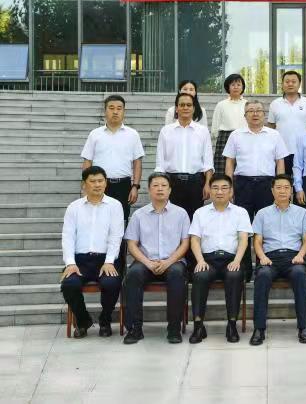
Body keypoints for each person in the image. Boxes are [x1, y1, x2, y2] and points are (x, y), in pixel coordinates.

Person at [122, 172, 190, 344]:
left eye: (164, 185)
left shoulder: (181, 213)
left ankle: (174, 329)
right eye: (155, 185)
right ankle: (134, 329)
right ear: (149, 190)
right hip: (145, 261)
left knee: (177, 274)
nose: (160, 189)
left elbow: (185, 243)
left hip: (173, 261)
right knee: (133, 275)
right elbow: (132, 244)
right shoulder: (139, 215)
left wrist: (168, 262)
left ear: (170, 190)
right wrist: (147, 262)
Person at [187, 174, 253, 344]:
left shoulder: (240, 212)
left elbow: (243, 239)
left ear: (231, 191)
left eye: (224, 188)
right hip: (207, 259)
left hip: (231, 258)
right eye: (215, 188)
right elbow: (194, 239)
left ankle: (232, 324)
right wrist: (200, 261)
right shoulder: (200, 213)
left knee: (234, 275)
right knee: (200, 276)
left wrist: (237, 261)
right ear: (209, 190)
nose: (219, 192)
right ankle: (198, 325)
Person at [60, 166, 124, 339]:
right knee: (69, 284)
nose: (97, 185)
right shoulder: (74, 207)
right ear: (84, 184)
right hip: (80, 261)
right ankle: (83, 321)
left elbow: (116, 236)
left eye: (100, 181)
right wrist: (70, 263)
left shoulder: (115, 206)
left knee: (111, 283)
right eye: (93, 181)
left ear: (106, 183)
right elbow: (68, 236)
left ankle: (105, 320)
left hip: (105, 260)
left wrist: (109, 261)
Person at [250, 175, 306, 345]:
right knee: (262, 276)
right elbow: (257, 241)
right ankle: (259, 329)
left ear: (291, 190)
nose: (282, 191)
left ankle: (304, 327)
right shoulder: (262, 213)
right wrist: (262, 257)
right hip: (270, 258)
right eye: (278, 187)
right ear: (272, 190)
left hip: (294, 257)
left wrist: (300, 255)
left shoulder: (302, 212)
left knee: (300, 274)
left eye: (286, 187)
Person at [81, 95, 144, 226]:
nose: (115, 112)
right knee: (98, 221)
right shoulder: (95, 134)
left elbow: (137, 162)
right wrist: (85, 186)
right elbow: (87, 161)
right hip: (99, 185)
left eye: (119, 108)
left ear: (124, 111)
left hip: (123, 186)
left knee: (120, 221)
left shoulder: (132, 134)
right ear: (105, 111)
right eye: (111, 108)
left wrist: (135, 186)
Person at [223, 99, 289, 220]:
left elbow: (280, 162)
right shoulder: (236, 135)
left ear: (264, 114)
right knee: (243, 222)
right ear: (245, 116)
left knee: (267, 221)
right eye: (251, 111)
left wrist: (279, 186)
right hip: (242, 184)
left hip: (267, 184)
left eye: (258, 110)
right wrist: (229, 186)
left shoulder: (274, 135)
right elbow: (229, 162)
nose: (255, 114)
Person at [155, 92, 214, 221]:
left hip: (196, 183)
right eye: (182, 105)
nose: (185, 108)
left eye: (189, 105)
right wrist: (160, 185)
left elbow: (208, 162)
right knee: (172, 221)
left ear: (193, 108)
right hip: (172, 182)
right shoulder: (166, 131)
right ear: (176, 108)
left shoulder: (202, 131)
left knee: (195, 221)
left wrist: (207, 184)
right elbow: (160, 163)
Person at [267, 71, 306, 177]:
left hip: (302, 151)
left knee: (301, 182)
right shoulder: (275, 104)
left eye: (293, 81)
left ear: (299, 84)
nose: (290, 84)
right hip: (281, 151)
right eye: (287, 81)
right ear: (282, 84)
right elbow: (271, 127)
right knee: (283, 182)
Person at [211, 73, 247, 174]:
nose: (236, 87)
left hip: (243, 137)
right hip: (225, 138)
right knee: (222, 170)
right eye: (233, 84)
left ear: (242, 87)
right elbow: (215, 126)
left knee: (241, 168)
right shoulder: (221, 104)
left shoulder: (247, 104)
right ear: (228, 87)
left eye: (238, 84)